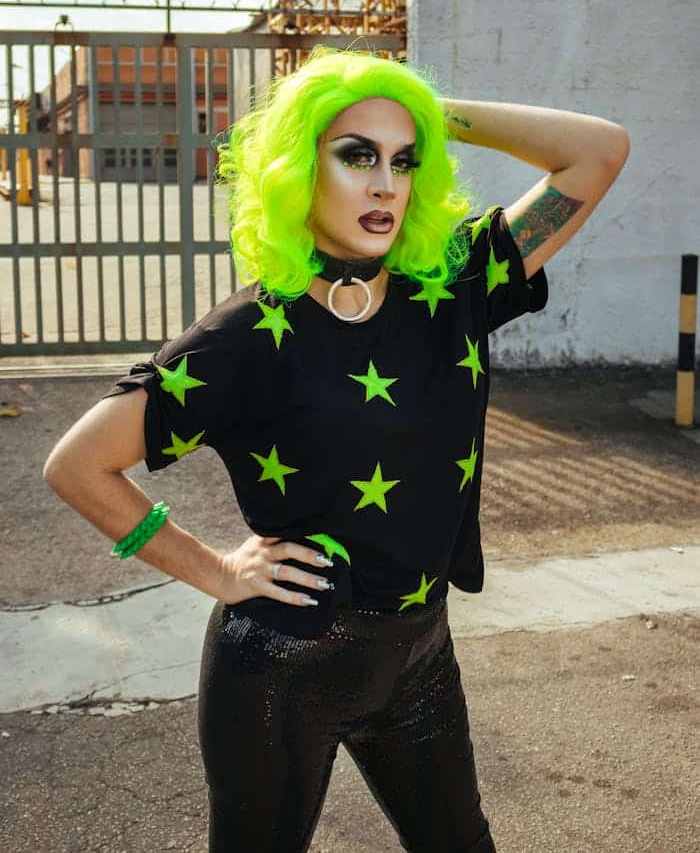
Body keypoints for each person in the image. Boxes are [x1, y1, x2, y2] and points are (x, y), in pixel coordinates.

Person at [43, 45, 630, 852]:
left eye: (404, 159)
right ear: (298, 167)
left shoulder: (451, 285)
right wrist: (215, 569)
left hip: (421, 657)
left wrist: (410, 102)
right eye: (355, 154)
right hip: (283, 670)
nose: (385, 182)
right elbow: (75, 465)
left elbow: (598, 150)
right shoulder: (247, 336)